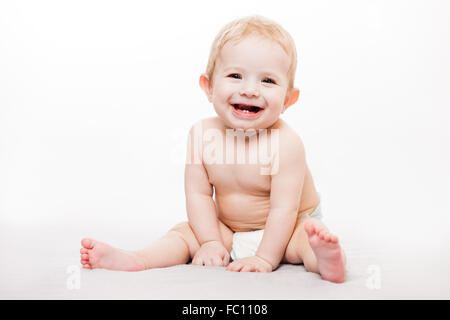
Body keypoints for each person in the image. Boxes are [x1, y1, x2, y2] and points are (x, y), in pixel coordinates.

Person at [80, 15, 346, 283]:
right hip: (229, 230)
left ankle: (326, 260)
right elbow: (198, 195)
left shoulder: (286, 143)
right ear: (208, 87)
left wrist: (264, 257)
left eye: (267, 81)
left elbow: (283, 210)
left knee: (307, 237)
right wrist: (210, 241)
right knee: (183, 233)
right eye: (235, 75)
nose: (250, 89)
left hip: (285, 229)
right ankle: (139, 259)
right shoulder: (202, 134)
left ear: (288, 99)